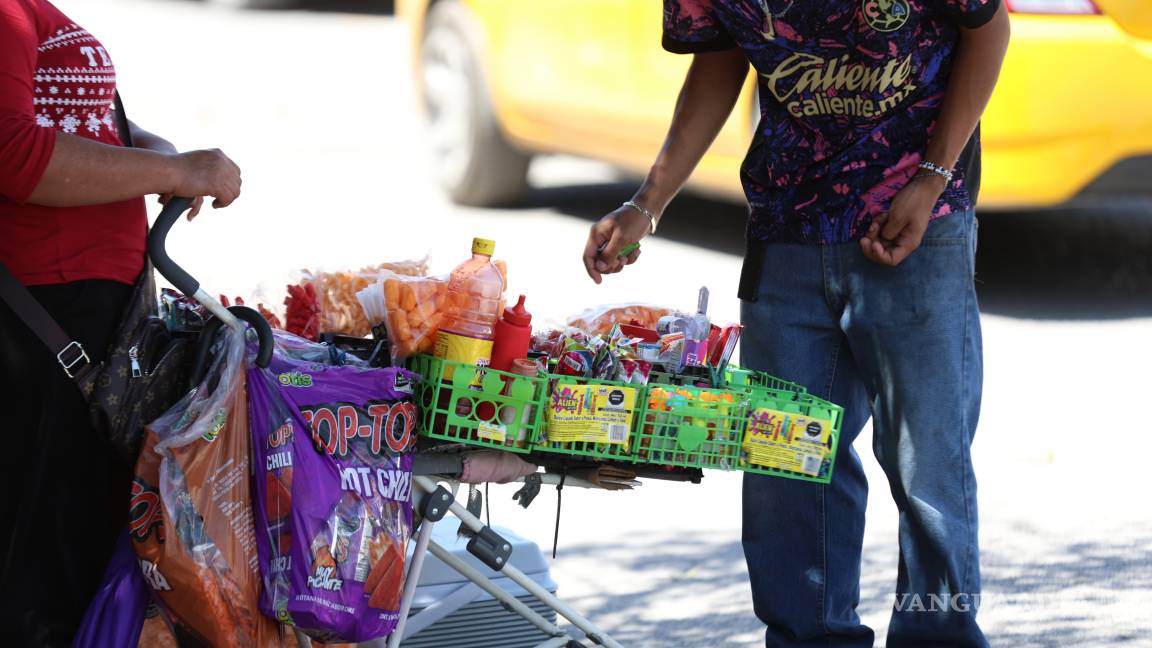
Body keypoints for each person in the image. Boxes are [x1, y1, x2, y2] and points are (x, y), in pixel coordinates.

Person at [582, 1, 1009, 646]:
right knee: (790, 457)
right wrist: (649, 202)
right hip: (789, 225)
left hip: (918, 223)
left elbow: (990, 26)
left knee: (928, 463)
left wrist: (931, 177)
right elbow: (719, 57)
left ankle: (939, 638)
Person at [0, 0, 241, 643]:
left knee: (73, 564)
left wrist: (147, 149)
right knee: (39, 584)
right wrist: (174, 170)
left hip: (85, 323)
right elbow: (15, 155)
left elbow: (62, 121)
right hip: (43, 323)